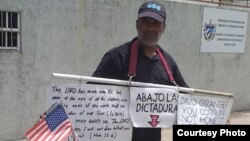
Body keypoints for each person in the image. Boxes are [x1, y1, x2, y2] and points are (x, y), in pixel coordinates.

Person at [91, 1, 188, 141]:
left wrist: (212, 119)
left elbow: (187, 99)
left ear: (164, 28)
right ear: (137, 24)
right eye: (146, 22)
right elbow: (89, 95)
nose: (150, 28)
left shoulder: (168, 62)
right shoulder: (116, 57)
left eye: (156, 23)